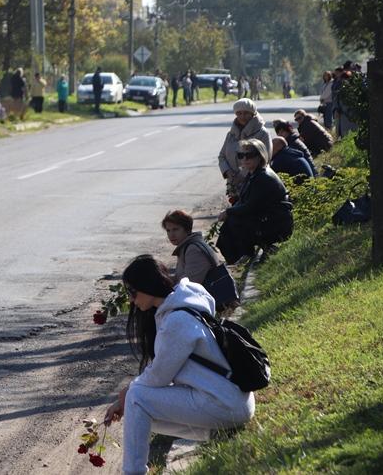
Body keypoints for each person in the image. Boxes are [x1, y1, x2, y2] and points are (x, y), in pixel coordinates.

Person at [103, 255, 254, 474]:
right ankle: (216, 433)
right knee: (139, 412)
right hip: (232, 401)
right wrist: (124, 401)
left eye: (132, 292)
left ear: (147, 285)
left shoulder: (177, 320)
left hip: (225, 404)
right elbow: (162, 371)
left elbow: (158, 377)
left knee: (137, 397)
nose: (132, 300)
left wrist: (127, 393)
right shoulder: (184, 305)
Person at [216, 139, 293, 264]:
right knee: (231, 221)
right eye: (241, 156)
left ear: (260, 156)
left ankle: (248, 254)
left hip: (276, 225)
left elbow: (251, 207)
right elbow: (244, 201)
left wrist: (228, 212)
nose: (245, 159)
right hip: (268, 219)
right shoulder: (254, 174)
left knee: (234, 221)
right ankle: (243, 255)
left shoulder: (263, 177)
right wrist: (231, 210)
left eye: (250, 155)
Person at [218, 98, 271, 202]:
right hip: (234, 185)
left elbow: (265, 158)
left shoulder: (262, 133)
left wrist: (242, 175)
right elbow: (222, 156)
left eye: (246, 113)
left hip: (254, 183)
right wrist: (227, 172)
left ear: (253, 114)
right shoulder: (231, 134)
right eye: (239, 113)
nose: (242, 116)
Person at [161, 210, 222, 284]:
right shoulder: (187, 246)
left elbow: (189, 285)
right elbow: (180, 277)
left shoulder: (193, 250)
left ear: (187, 230)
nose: (171, 235)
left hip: (208, 294)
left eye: (175, 229)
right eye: (168, 230)